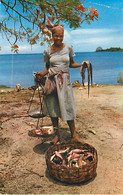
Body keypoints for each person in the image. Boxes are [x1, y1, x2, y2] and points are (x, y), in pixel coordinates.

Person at [36, 25, 84, 144]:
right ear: (52, 36)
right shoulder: (47, 51)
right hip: (52, 81)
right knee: (53, 108)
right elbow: (48, 67)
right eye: (56, 36)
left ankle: (73, 135)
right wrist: (41, 74)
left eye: (61, 36)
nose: (59, 38)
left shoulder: (68, 48)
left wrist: (83, 64)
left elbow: (71, 64)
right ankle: (57, 135)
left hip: (64, 82)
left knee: (68, 107)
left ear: (63, 36)